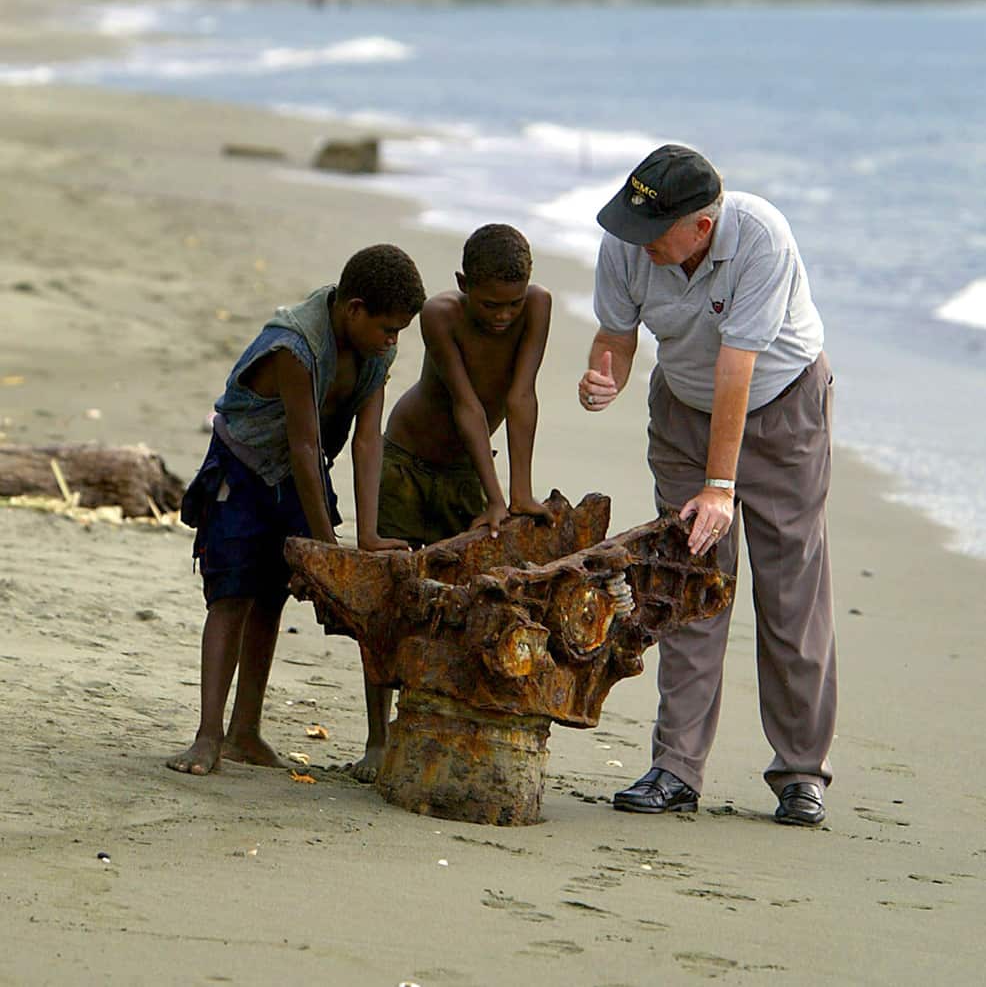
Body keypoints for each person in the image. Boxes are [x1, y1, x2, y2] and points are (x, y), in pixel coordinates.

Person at [579, 145, 836, 827]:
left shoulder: (759, 236)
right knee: (687, 585)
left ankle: (801, 773)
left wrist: (720, 487)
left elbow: (738, 365)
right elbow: (618, 331)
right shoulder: (628, 240)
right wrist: (603, 374)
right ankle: (676, 767)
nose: (637, 242)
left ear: (701, 224)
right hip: (685, 414)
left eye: (653, 230)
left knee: (789, 594)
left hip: (780, 412)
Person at [167, 244, 426, 777]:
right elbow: (304, 445)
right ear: (353, 309)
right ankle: (207, 735)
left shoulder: (377, 353)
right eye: (386, 329)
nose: (393, 341)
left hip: (300, 475)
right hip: (243, 469)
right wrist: (326, 541)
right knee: (231, 596)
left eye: (400, 332)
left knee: (271, 598)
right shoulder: (295, 345)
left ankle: (245, 732)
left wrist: (368, 535)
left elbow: (366, 441)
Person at [349, 223, 552, 781]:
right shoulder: (441, 315)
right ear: (463, 285)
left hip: (467, 467)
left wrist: (519, 495)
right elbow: (466, 404)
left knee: (457, 600)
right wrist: (494, 496)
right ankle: (375, 738)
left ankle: (426, 727)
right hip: (408, 464)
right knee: (390, 597)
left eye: (512, 302)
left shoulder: (538, 306)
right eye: (489, 303)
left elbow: (520, 394)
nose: (503, 315)